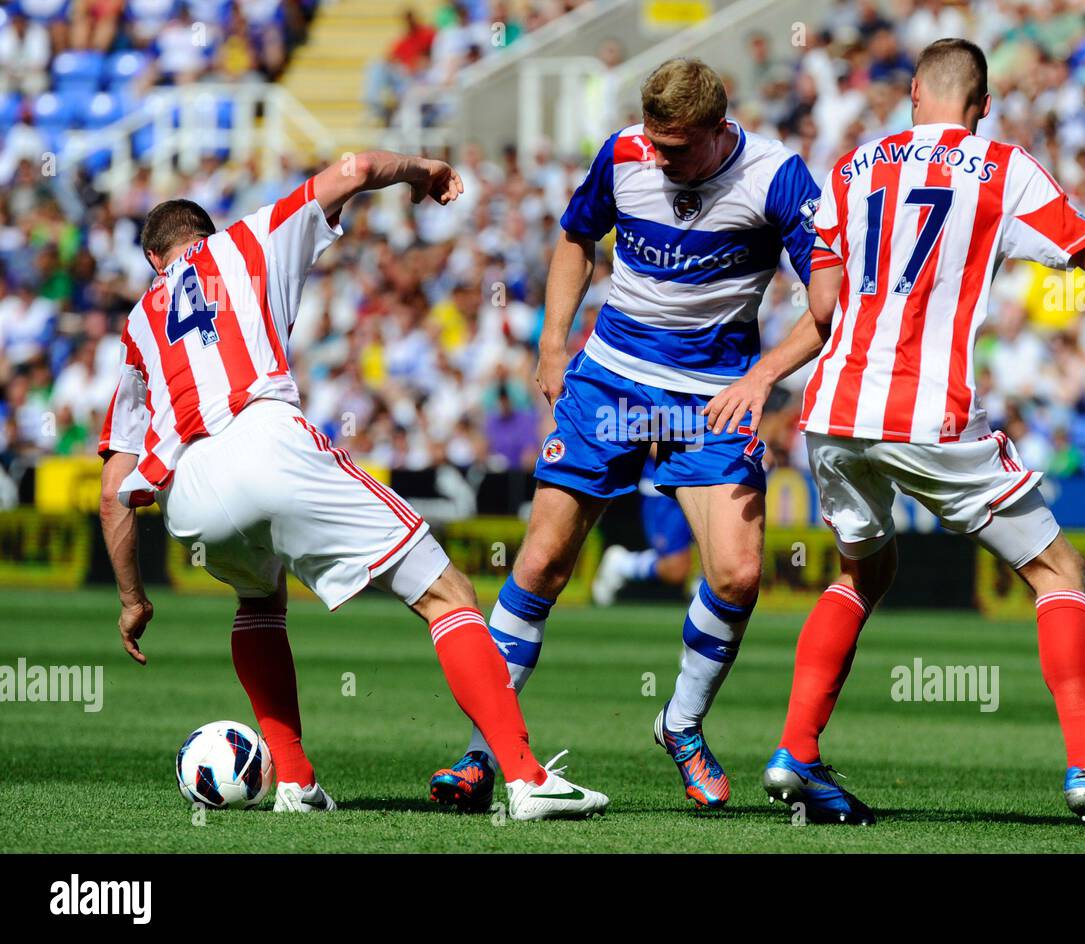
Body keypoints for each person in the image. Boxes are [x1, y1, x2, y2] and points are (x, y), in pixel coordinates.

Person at [708, 38, 1085, 824]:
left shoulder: (853, 170)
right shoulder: (1003, 167)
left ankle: (796, 751)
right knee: (1059, 569)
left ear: (916, 95)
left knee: (864, 569)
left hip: (834, 409)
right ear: (984, 104)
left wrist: (766, 374)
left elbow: (822, 310)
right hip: (931, 411)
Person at [97, 150, 608, 821]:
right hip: (264, 436)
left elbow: (113, 488)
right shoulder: (246, 240)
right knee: (444, 591)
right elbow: (355, 168)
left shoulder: (138, 326)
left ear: (155, 263)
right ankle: (525, 777)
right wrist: (424, 169)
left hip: (187, 489)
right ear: (207, 234)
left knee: (257, 597)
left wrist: (133, 598)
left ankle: (296, 783)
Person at [428, 58, 822, 812]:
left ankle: (681, 723)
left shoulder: (777, 178)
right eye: (653, 139)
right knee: (542, 562)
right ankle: (487, 756)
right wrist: (552, 342)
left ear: (717, 129)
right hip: (611, 376)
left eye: (676, 147)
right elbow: (577, 239)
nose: (659, 157)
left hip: (713, 396)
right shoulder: (623, 153)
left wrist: (762, 376)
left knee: (739, 575)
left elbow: (829, 304)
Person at [592, 450, 697, 606]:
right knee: (675, 569)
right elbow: (657, 442)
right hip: (665, 489)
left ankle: (703, 587)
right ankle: (623, 565)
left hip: (706, 481)